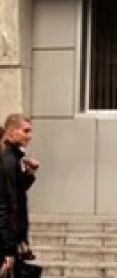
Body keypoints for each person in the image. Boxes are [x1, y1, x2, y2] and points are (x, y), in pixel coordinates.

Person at [0, 114, 40, 278]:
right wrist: (8, 250)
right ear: (11, 131)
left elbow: (18, 191)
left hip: (11, 240)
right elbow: (7, 205)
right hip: (7, 241)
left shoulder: (14, 158)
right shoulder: (8, 160)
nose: (29, 136)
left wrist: (29, 173)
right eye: (25, 131)